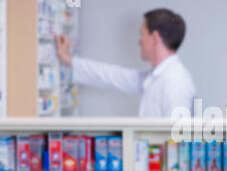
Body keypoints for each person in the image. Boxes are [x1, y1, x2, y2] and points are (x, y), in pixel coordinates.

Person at [55, 8, 196, 118]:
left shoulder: (176, 82)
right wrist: (68, 59)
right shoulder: (155, 77)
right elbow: (112, 76)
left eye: (142, 34)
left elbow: (176, 143)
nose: (139, 41)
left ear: (155, 38)